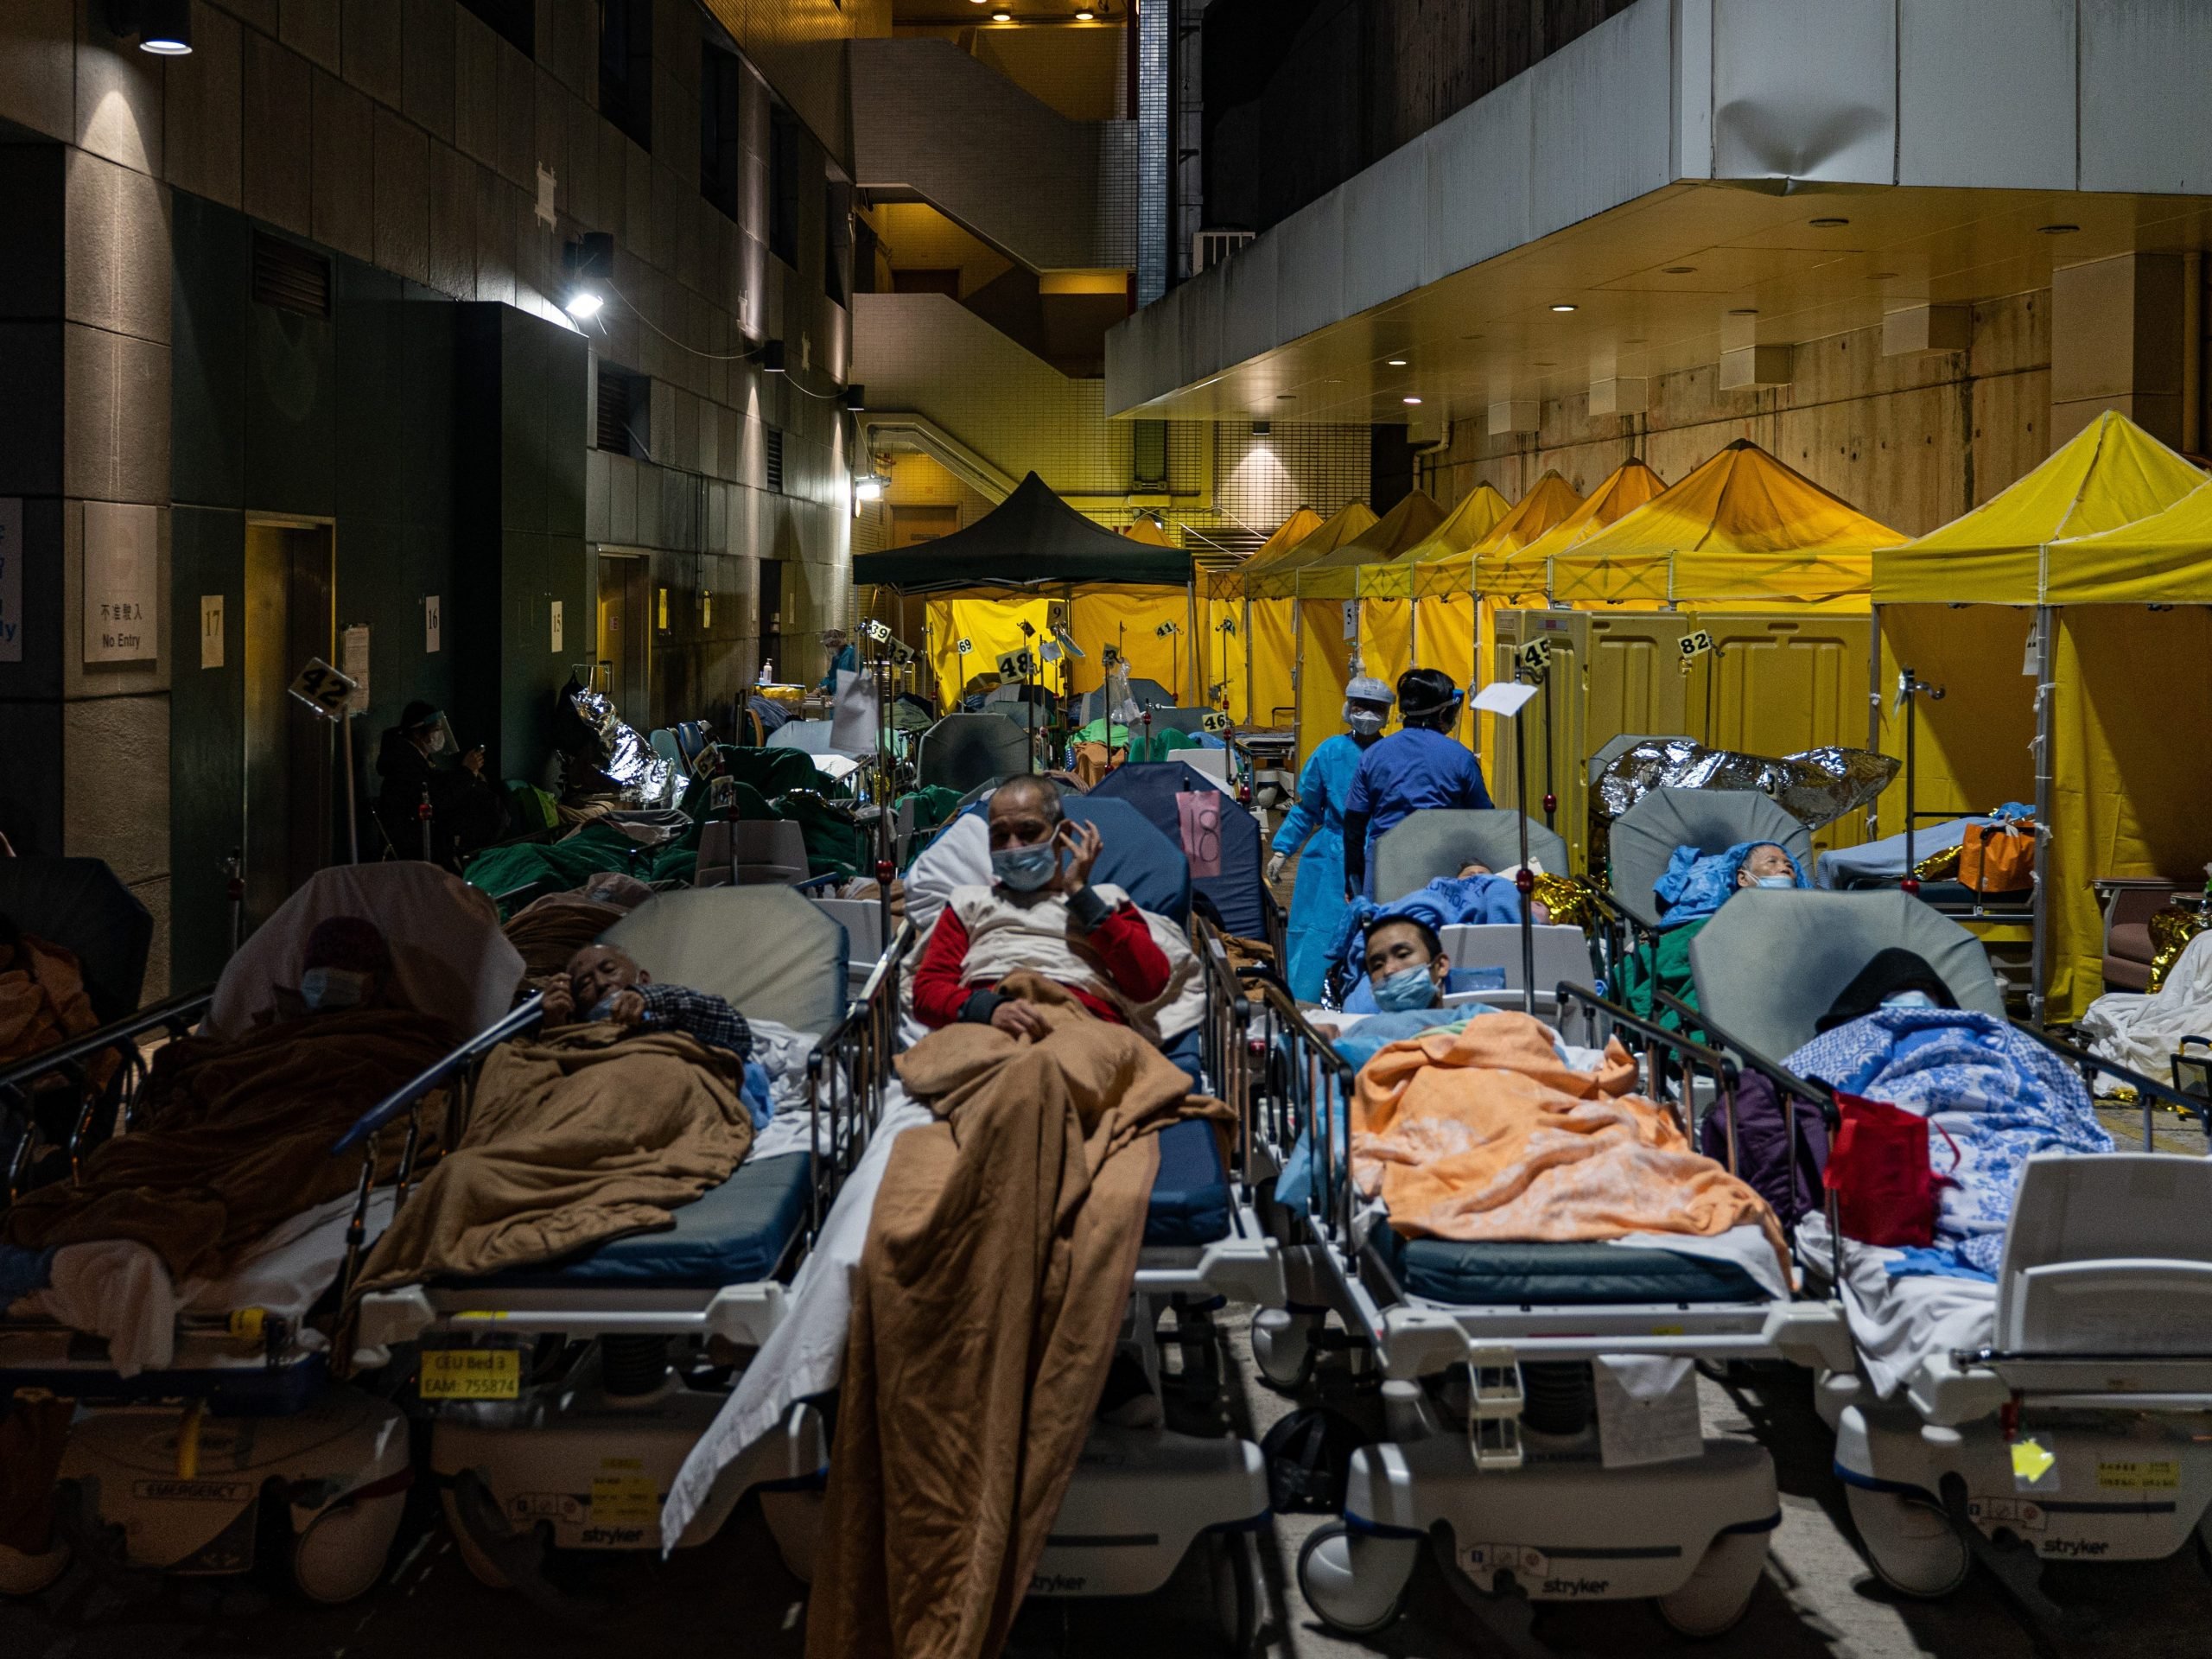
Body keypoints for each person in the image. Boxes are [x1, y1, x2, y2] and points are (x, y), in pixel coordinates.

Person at [912, 775, 1178, 1036]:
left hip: (1082, 1029)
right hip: (990, 1029)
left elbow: (1150, 983)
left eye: (1028, 832)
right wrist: (986, 1009)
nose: (1014, 847)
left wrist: (1081, 896)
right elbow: (927, 992)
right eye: (1001, 836)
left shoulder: (1106, 902)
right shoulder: (966, 904)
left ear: (1063, 834)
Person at [1267, 676, 1394, 1001]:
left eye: (1375, 708)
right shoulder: (1330, 752)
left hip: (1380, 853)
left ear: (1388, 713)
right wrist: (1283, 848)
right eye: (1360, 706)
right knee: (1316, 931)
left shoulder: (1391, 754)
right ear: (1348, 708)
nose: (1366, 715)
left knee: (1373, 933)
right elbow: (1308, 807)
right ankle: (1306, 1000)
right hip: (1330, 855)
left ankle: (1366, 1000)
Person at [1342, 667, 1492, 899]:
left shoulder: (1374, 755)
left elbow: (1354, 826)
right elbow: (1485, 819)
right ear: (1444, 713)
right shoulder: (1460, 757)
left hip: (1385, 872)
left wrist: (1353, 880)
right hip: (1439, 874)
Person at [539, 943, 753, 1062]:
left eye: (609, 970)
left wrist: (652, 999)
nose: (601, 983)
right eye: (585, 984)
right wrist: (555, 1028)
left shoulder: (679, 1008)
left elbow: (738, 1034)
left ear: (644, 979)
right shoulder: (575, 1039)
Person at [375, 700, 505, 869]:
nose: (440, 734)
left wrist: (470, 775)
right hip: (419, 839)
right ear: (417, 733)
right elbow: (435, 800)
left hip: (433, 832)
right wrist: (466, 773)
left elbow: (438, 783)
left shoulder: (417, 758)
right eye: (436, 730)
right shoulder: (404, 763)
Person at [1362, 916, 1452, 1014]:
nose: (1388, 970)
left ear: (1440, 966)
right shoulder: (1362, 1029)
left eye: (1402, 955)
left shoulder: (1467, 1022)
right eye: (1377, 965)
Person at [818, 627, 858, 693]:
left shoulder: (850, 655)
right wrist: (820, 686)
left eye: (829, 645)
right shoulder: (837, 656)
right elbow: (832, 676)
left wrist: (825, 688)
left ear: (836, 643)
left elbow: (845, 679)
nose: (828, 649)